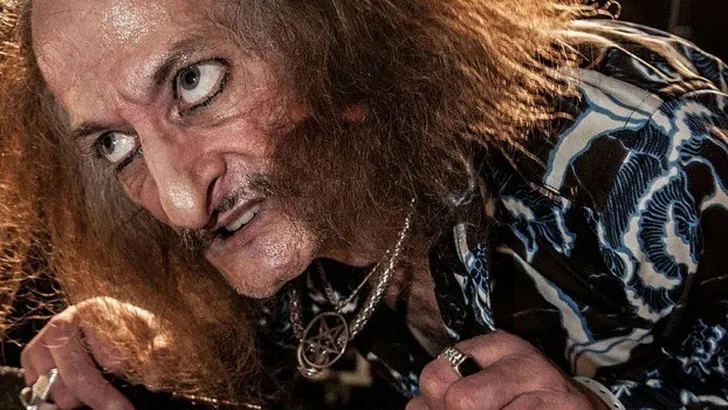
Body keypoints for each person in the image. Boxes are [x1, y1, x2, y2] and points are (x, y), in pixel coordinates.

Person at [1, 0, 727, 408]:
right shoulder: (286, 209)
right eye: (115, 144)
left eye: (195, 83)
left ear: (337, 34)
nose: (183, 203)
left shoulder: (645, 153)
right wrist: (158, 341)